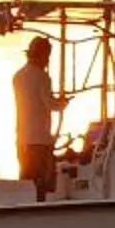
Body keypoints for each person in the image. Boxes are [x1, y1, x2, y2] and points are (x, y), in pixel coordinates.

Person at [13, 34, 67, 198]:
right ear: (42, 55)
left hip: (23, 139)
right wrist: (63, 102)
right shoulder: (42, 77)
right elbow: (50, 104)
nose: (48, 60)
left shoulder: (18, 76)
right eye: (47, 56)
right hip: (40, 141)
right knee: (43, 185)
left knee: (26, 184)